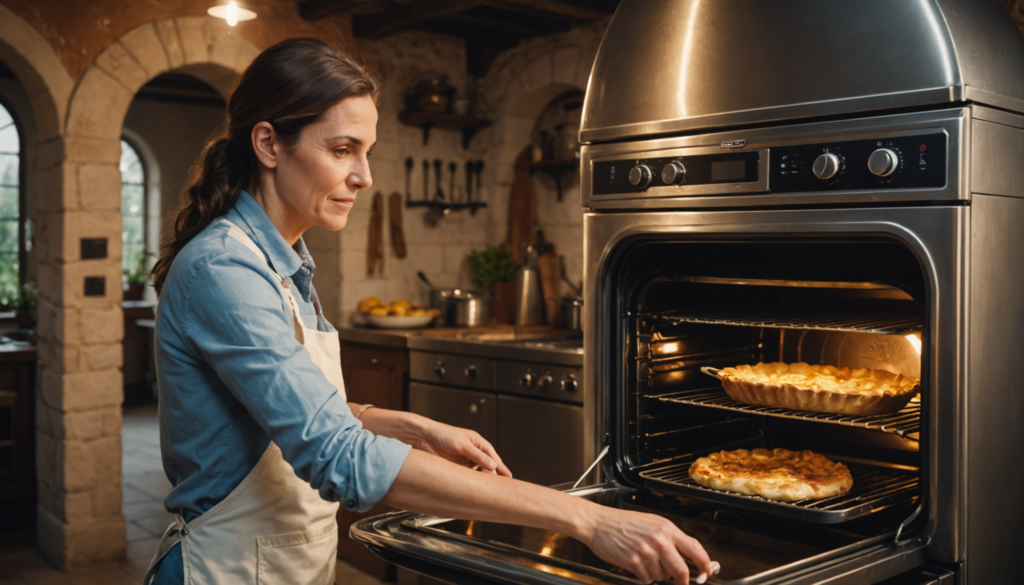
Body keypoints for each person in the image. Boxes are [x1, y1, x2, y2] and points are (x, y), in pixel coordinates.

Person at [145, 37, 715, 585]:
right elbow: (335, 454)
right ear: (269, 144)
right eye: (342, 150)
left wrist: (412, 427)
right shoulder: (225, 268)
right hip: (223, 569)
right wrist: (586, 517)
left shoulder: (286, 262)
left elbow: (293, 411)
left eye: (366, 152)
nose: (364, 177)